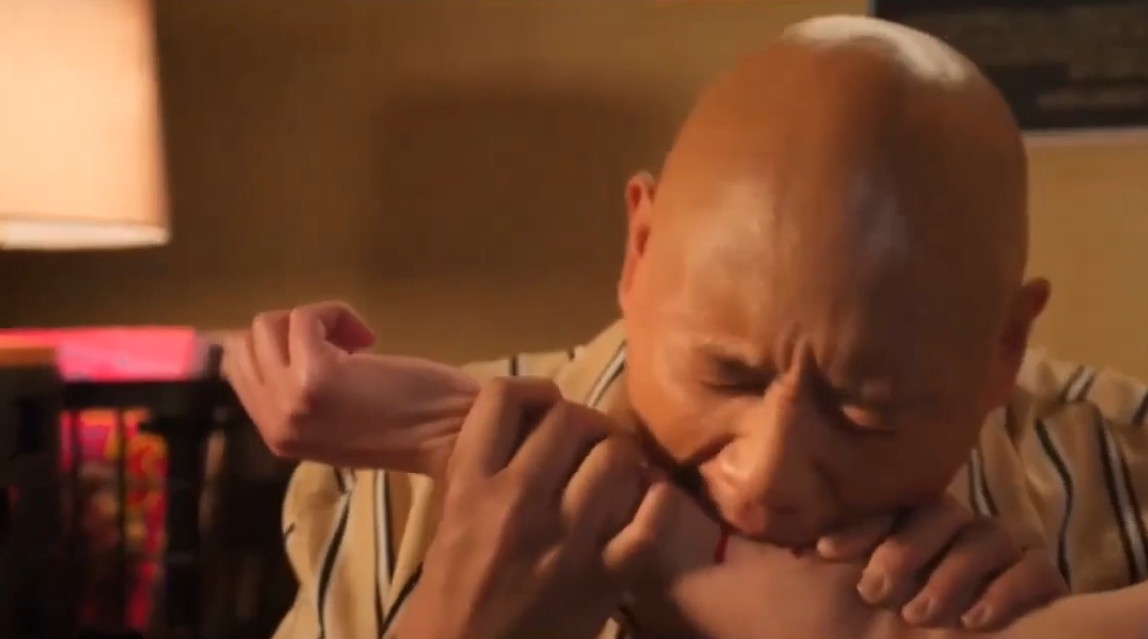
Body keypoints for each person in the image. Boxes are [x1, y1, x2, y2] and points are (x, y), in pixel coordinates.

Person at [224, 15, 1148, 639]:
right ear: (640, 247)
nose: (767, 480)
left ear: (1002, 348)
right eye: (726, 374)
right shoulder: (382, 497)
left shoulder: (1122, 468)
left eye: (867, 410)